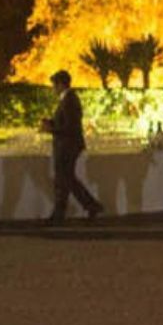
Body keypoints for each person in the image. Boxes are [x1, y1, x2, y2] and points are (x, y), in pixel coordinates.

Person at [40, 69, 102, 224]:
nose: (53, 88)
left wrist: (51, 129)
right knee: (67, 180)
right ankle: (89, 206)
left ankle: (61, 214)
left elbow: (70, 127)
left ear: (61, 84)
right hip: (67, 145)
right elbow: (66, 123)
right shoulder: (67, 99)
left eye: (54, 85)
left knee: (63, 180)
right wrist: (51, 123)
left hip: (68, 146)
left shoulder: (69, 100)